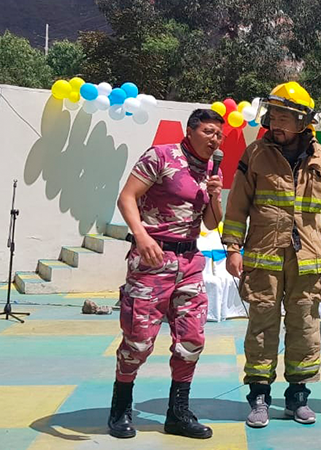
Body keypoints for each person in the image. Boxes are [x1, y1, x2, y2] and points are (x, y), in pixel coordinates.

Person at [222, 81, 321, 428]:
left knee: (305, 325)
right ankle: (259, 397)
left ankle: (298, 397)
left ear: (302, 121)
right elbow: (237, 205)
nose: (276, 123)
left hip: (308, 259)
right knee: (261, 326)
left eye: (284, 117)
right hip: (263, 256)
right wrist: (232, 248)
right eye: (273, 116)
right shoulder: (255, 154)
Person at [109, 109, 224, 440]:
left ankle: (178, 414)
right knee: (138, 341)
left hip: (189, 262)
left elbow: (211, 222)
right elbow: (127, 197)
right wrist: (141, 236)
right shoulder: (161, 156)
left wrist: (215, 195)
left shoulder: (211, 170)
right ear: (190, 130)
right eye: (208, 131)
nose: (214, 139)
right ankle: (120, 408)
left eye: (219, 135)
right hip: (152, 260)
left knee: (191, 340)